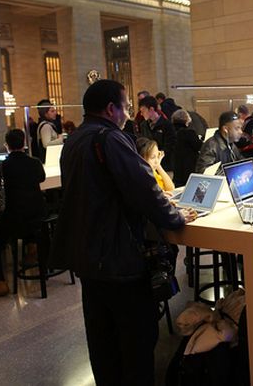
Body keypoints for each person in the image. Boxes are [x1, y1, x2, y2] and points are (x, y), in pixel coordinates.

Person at [49, 80, 196, 386]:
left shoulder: (74, 141)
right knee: (136, 339)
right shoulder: (110, 138)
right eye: (126, 107)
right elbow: (144, 189)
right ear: (111, 108)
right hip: (119, 256)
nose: (129, 113)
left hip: (87, 256)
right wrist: (175, 218)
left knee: (102, 339)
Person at [0, 129, 46, 298]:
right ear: (24, 142)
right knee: (28, 220)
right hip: (38, 216)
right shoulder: (35, 162)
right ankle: (32, 250)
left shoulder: (2, 165)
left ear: (6, 145)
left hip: (14, 219)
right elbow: (41, 178)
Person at [138, 95, 176, 172]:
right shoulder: (143, 125)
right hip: (148, 166)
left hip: (165, 166)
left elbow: (170, 146)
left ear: (151, 109)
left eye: (143, 111)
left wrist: (157, 158)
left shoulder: (167, 124)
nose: (141, 114)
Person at [171, 109, 203, 187]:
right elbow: (199, 146)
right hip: (188, 166)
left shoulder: (171, 131)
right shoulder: (189, 133)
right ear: (187, 120)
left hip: (176, 166)